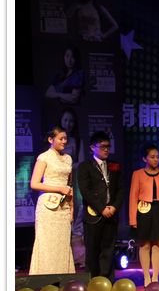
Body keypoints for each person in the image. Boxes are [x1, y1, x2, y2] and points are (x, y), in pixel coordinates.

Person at [77, 131, 125, 280]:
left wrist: (114, 207)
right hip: (94, 215)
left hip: (111, 214)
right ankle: (93, 281)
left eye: (108, 146)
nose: (106, 149)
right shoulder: (85, 166)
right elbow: (86, 191)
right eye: (103, 146)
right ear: (92, 147)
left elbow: (121, 189)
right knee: (93, 250)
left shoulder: (115, 165)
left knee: (108, 250)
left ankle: (107, 282)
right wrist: (102, 208)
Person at [28, 126, 75, 275]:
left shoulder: (68, 158)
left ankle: (63, 279)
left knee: (62, 244)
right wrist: (59, 189)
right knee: (47, 244)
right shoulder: (44, 157)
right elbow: (34, 184)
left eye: (65, 138)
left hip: (64, 207)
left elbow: (69, 186)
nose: (64, 141)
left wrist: (72, 208)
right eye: (61, 138)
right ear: (50, 139)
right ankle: (44, 279)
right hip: (47, 207)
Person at [128, 144, 159, 286]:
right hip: (143, 210)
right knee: (144, 245)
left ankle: (155, 277)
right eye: (152, 157)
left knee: (158, 244)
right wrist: (133, 219)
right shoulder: (137, 174)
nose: (156, 160)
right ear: (145, 159)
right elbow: (133, 197)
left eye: (157, 157)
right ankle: (146, 276)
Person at [58, 107, 87, 268]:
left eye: (71, 121)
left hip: (73, 180)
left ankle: (78, 257)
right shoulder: (54, 141)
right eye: (65, 120)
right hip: (58, 182)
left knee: (77, 215)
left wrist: (69, 166)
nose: (68, 124)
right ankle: (61, 258)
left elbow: (81, 163)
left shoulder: (77, 140)